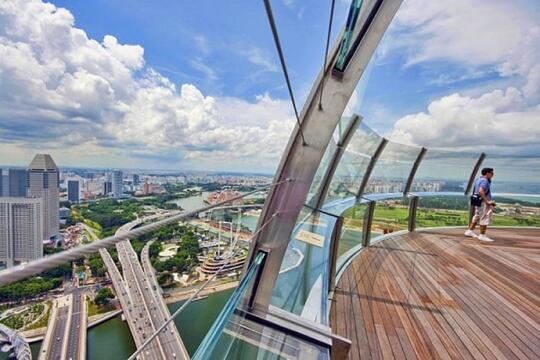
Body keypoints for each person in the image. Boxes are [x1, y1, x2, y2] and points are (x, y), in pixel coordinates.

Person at [465, 167, 496, 242]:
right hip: (483, 202)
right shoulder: (485, 181)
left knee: (477, 215)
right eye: (492, 173)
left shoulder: (478, 179)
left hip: (478, 201)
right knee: (484, 217)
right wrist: (487, 202)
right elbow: (481, 191)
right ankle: (482, 235)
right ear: (487, 173)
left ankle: (470, 231)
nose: (493, 174)